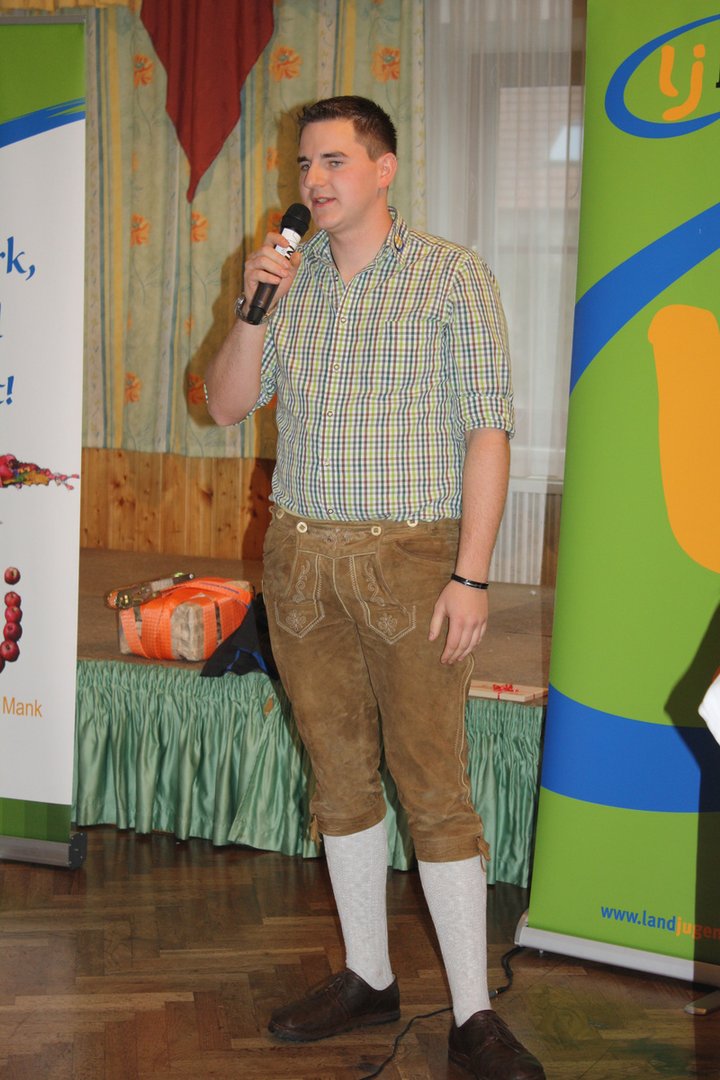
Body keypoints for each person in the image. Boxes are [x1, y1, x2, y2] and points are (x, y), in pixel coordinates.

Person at [205, 95, 545, 1080]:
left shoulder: (450, 275)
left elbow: (488, 430)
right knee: (340, 776)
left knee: (432, 783)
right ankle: (369, 975)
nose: (313, 180)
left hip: (412, 558)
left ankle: (474, 1016)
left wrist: (470, 574)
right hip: (301, 557)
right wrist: (250, 313)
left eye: (335, 161)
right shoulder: (288, 280)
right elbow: (225, 406)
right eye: (304, 164)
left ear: (384, 168)